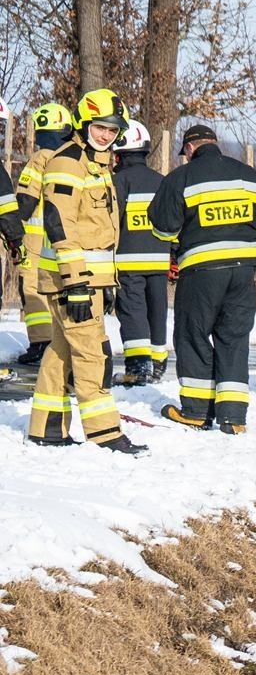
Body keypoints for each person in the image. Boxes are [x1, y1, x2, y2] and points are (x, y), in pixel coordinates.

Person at [23, 89, 142, 453]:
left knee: (60, 353)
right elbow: (60, 224)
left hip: (90, 280)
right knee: (92, 356)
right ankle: (105, 433)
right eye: (99, 127)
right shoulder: (68, 162)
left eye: (112, 129)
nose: (106, 135)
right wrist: (76, 283)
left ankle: (47, 428)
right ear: (83, 124)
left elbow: (100, 232)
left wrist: (108, 283)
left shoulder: (98, 165)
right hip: (73, 282)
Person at [151, 124, 256, 434]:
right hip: (243, 272)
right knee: (233, 339)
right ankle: (234, 418)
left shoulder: (180, 178)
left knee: (192, 336)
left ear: (190, 149)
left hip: (201, 272)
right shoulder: (248, 175)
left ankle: (197, 411)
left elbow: (163, 228)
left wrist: (177, 241)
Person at [9, 100, 74, 370]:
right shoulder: (74, 158)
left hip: (37, 240)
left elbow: (25, 200)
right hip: (67, 238)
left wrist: (11, 231)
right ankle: (61, 344)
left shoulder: (40, 159)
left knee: (31, 287)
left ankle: (40, 343)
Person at [111, 119, 169, 384]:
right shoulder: (163, 181)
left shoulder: (117, 182)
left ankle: (138, 367)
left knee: (133, 313)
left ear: (119, 154)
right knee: (157, 311)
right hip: (160, 262)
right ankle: (157, 362)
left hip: (127, 264)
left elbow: (111, 223)